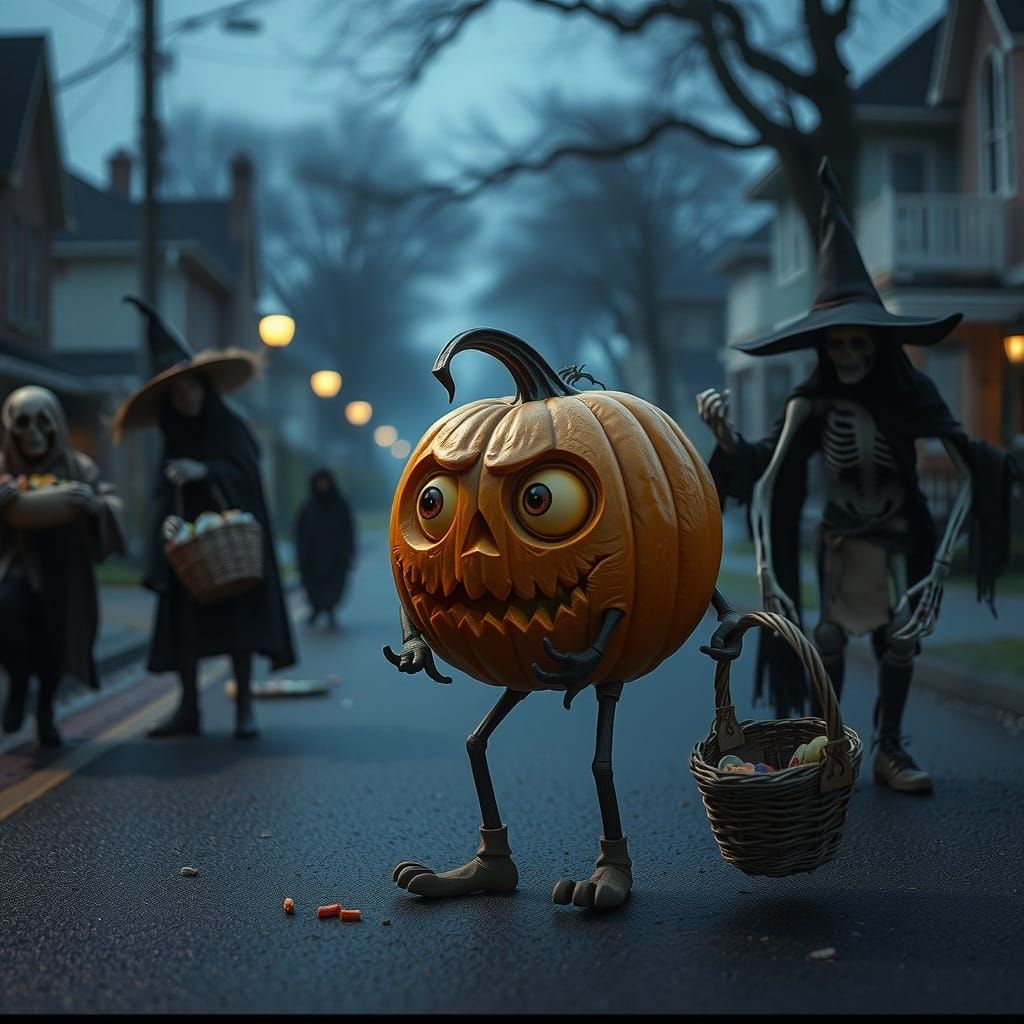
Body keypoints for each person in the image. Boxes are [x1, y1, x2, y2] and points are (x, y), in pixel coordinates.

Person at [697, 159, 1019, 794]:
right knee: (828, 636)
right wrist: (727, 440)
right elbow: (766, 466)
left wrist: (949, 551)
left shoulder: (910, 392)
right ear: (824, 348)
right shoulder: (810, 403)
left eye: (858, 344)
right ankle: (833, 745)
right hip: (842, 535)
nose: (847, 355)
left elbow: (964, 457)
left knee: (898, 638)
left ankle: (890, 747)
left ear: (877, 344)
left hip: (899, 532)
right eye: (836, 345)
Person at [114, 296, 296, 740]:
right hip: (189, 550)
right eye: (178, 393)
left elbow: (247, 475)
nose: (188, 397)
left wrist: (207, 470)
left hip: (232, 543)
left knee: (239, 625)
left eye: (193, 388)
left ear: (205, 387)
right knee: (186, 627)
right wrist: (166, 525)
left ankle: (244, 709)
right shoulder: (173, 436)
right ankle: (188, 708)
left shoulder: (230, 427)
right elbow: (162, 493)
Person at [0, 386, 125, 746]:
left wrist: (94, 506)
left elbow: (110, 504)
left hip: (63, 570)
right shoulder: (3, 469)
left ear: (56, 425)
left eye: (43, 422)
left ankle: (45, 710)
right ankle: (18, 683)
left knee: (54, 639)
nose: (33, 434)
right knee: (7, 617)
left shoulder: (79, 467)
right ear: (10, 428)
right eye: (23, 423)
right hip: (16, 562)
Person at [294, 468, 356, 629]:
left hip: (336, 555)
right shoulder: (307, 508)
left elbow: (349, 530)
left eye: (325, 482)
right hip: (312, 557)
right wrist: (300, 554)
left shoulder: (340, 505)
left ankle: (329, 610)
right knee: (312, 585)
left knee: (334, 585)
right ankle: (316, 608)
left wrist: (348, 552)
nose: (322, 485)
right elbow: (299, 533)